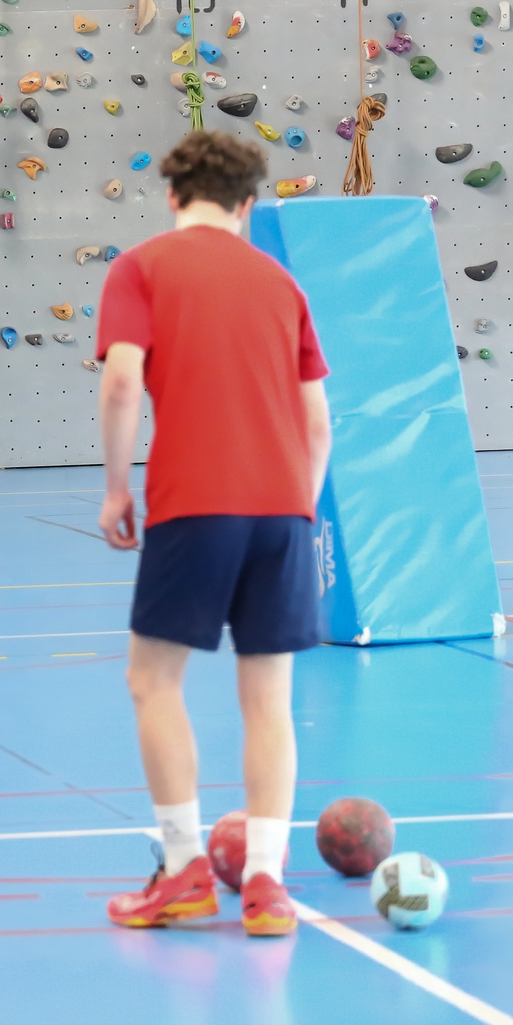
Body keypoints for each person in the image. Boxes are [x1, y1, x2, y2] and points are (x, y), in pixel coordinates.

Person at [93, 130, 333, 938]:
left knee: (153, 681)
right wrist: (295, 508)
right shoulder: (280, 282)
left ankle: (186, 868)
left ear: (172, 195)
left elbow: (124, 377)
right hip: (284, 510)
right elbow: (319, 423)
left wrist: (118, 488)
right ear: (250, 204)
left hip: (196, 503)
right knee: (269, 699)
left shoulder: (143, 267)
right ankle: (265, 885)